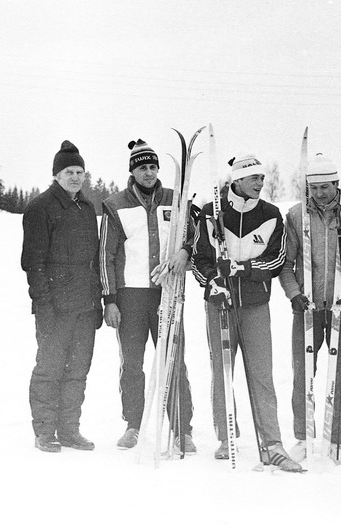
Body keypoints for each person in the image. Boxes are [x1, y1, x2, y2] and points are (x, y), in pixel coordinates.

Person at [192, 153, 302, 472]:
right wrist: (212, 282)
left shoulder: (270, 214)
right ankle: (227, 437)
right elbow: (201, 258)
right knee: (222, 372)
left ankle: (272, 443)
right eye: (254, 178)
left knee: (261, 374)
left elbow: (276, 259)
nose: (260, 183)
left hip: (255, 306)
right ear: (237, 180)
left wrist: (243, 268)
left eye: (262, 178)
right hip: (220, 305)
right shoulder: (213, 213)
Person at [99, 139, 196, 453]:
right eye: (143, 167)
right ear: (133, 171)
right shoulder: (115, 205)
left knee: (174, 361)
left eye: (153, 167)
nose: (149, 172)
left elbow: (193, 235)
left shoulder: (175, 199)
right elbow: (106, 255)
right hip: (131, 296)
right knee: (132, 364)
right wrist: (110, 299)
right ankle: (133, 425)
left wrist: (184, 252)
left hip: (167, 294)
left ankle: (182, 430)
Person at [278, 153, 341, 465]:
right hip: (308, 309)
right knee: (303, 372)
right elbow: (286, 264)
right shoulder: (296, 216)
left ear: (337, 184)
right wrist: (294, 294)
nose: (320, 193)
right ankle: (304, 438)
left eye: (326, 186)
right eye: (314, 187)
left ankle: (336, 440)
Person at [21, 140, 102, 453]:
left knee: (78, 370)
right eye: (69, 171)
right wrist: (44, 304)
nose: (75, 177)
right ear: (56, 175)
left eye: (79, 171)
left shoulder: (87, 208)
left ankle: (69, 429)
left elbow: (93, 259)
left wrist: (96, 302)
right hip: (54, 306)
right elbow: (33, 262)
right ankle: (44, 431)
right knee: (50, 369)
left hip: (84, 304)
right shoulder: (39, 208)